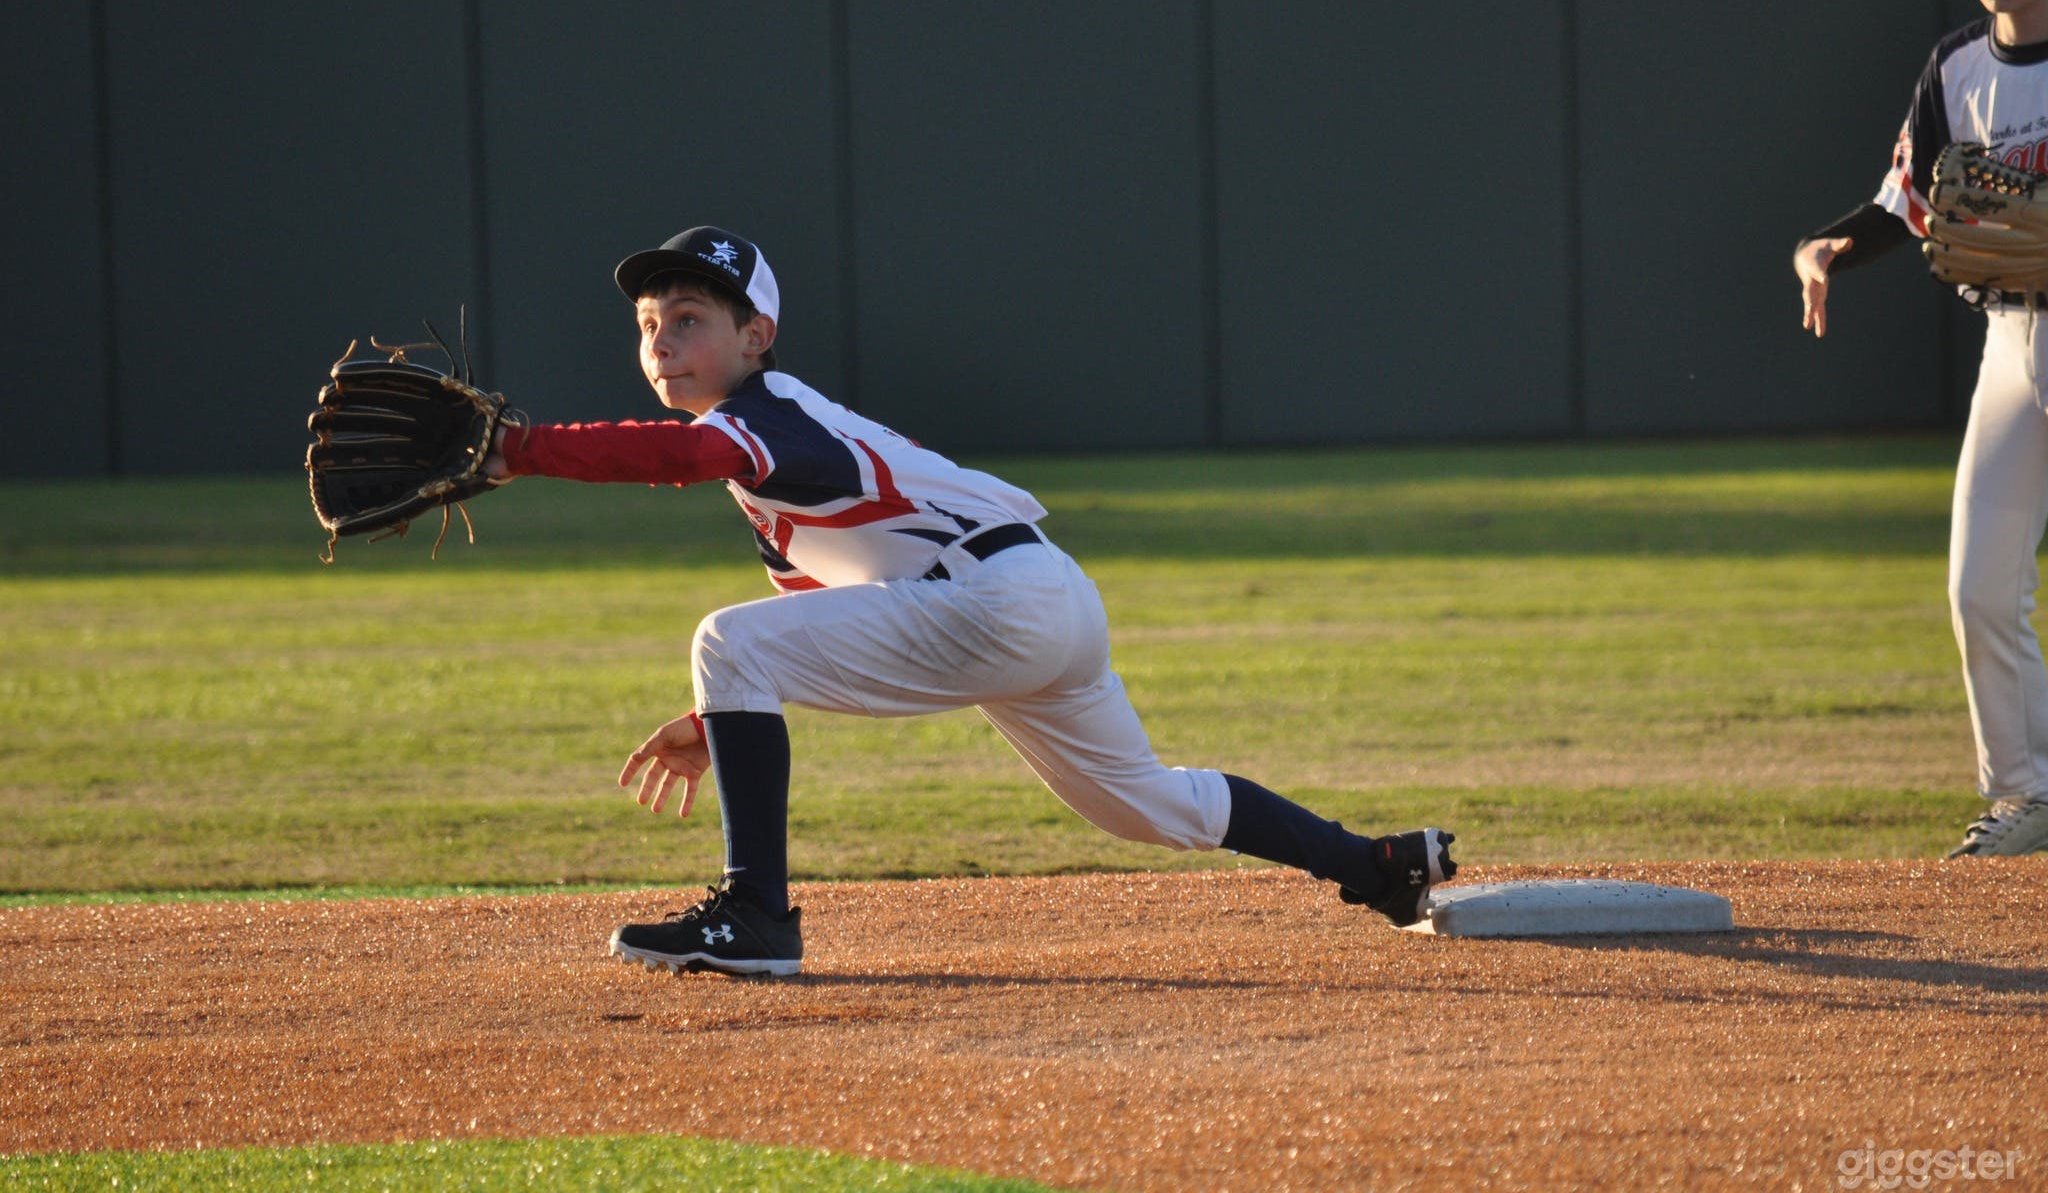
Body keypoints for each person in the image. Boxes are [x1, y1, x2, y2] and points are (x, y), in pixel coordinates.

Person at [483, 225, 1456, 976]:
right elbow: (832, 621)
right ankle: (1380, 866)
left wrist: (522, 451)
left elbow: (687, 460)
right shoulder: (771, 458)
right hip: (1039, 599)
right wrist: (716, 714)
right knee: (1143, 804)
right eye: (649, 324)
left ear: (755, 335)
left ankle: (756, 916)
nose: (663, 340)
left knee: (726, 638)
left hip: (994, 603)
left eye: (689, 317)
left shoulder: (765, 416)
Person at [1794, 0, 2048, 858]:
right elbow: (1904, 205)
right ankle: (2025, 795)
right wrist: (1825, 248)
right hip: (2011, 335)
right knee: (1978, 582)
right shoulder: (1954, 69)